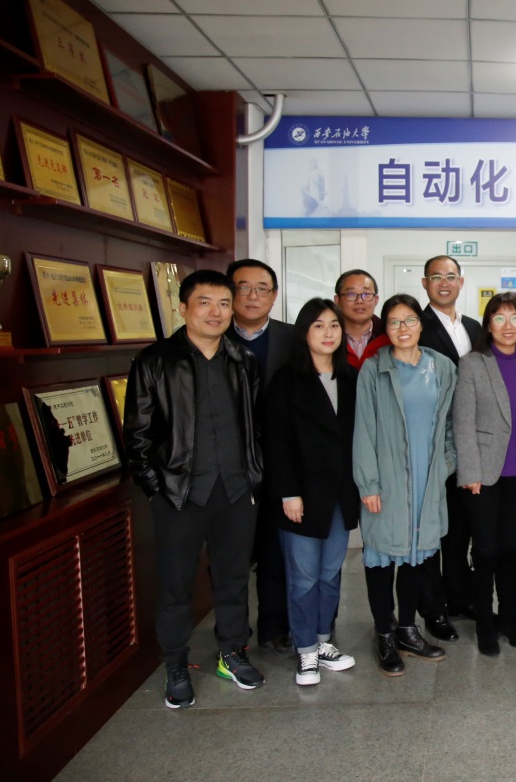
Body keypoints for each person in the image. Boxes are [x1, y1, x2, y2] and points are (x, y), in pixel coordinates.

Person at [125, 270, 265, 709]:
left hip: (236, 491)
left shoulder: (243, 360)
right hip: (179, 493)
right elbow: (137, 435)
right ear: (183, 307)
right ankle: (175, 663)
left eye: (224, 303)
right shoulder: (154, 361)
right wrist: (157, 488)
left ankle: (232, 652)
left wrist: (255, 476)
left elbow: (256, 427)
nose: (216, 312)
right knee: (175, 584)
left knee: (234, 578)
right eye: (205, 302)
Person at [353, 294, 457, 676]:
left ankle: (408, 630)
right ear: (386, 328)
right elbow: (363, 429)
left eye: (409, 320)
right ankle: (384, 633)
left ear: (420, 324)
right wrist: (369, 484)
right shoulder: (374, 369)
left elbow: (451, 422)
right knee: (381, 558)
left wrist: (447, 463)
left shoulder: (441, 366)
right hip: (387, 480)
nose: (402, 328)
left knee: (418, 556)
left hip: (428, 479)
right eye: (394, 322)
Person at [453, 293, 516, 656]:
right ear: (488, 324)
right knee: (485, 551)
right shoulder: (472, 364)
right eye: (499, 318)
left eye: (515, 318)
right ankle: (485, 624)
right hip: (483, 475)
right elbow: (463, 423)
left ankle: (509, 621)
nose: (508, 326)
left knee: (514, 550)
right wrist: (470, 471)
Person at [263, 298, 359, 686]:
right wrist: (288, 493)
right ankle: (304, 649)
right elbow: (277, 443)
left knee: (330, 573)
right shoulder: (287, 381)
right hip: (301, 495)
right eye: (318, 326)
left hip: (340, 493)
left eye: (334, 325)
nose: (328, 333)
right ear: (304, 332)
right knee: (303, 577)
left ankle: (323, 641)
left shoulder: (351, 378)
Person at [226, 258, 296, 656]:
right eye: (244, 287)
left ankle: (274, 627)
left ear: (274, 295)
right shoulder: (212, 335)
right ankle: (232, 636)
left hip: (277, 464)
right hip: (229, 467)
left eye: (262, 288)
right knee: (231, 556)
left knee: (275, 552)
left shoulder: (293, 338)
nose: (253, 296)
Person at [419, 254, 483, 632]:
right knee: (433, 531)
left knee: (461, 528)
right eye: (436, 276)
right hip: (432, 443)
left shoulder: (475, 327)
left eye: (451, 276)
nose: (444, 283)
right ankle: (433, 607)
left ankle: (460, 597)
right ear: (425, 283)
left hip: (470, 444)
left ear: (461, 281)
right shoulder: (417, 326)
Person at [334, 269, 390, 369]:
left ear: (376, 300)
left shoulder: (389, 335)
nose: (359, 301)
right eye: (351, 294)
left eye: (366, 294)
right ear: (337, 300)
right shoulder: (327, 336)